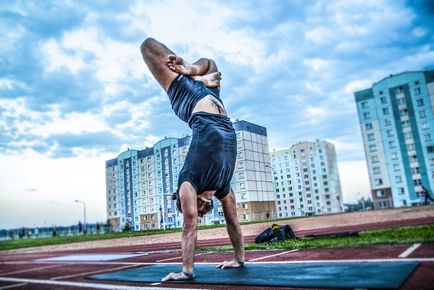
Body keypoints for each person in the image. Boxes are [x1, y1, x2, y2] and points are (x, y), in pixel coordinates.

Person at [140, 38, 245, 282]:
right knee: (152, 48)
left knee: (150, 47)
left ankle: (192, 72)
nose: (195, 214)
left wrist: (187, 272)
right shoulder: (207, 185)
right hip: (206, 104)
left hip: (201, 109)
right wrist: (237, 260)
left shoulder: (205, 185)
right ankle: (194, 74)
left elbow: (206, 224)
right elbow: (209, 224)